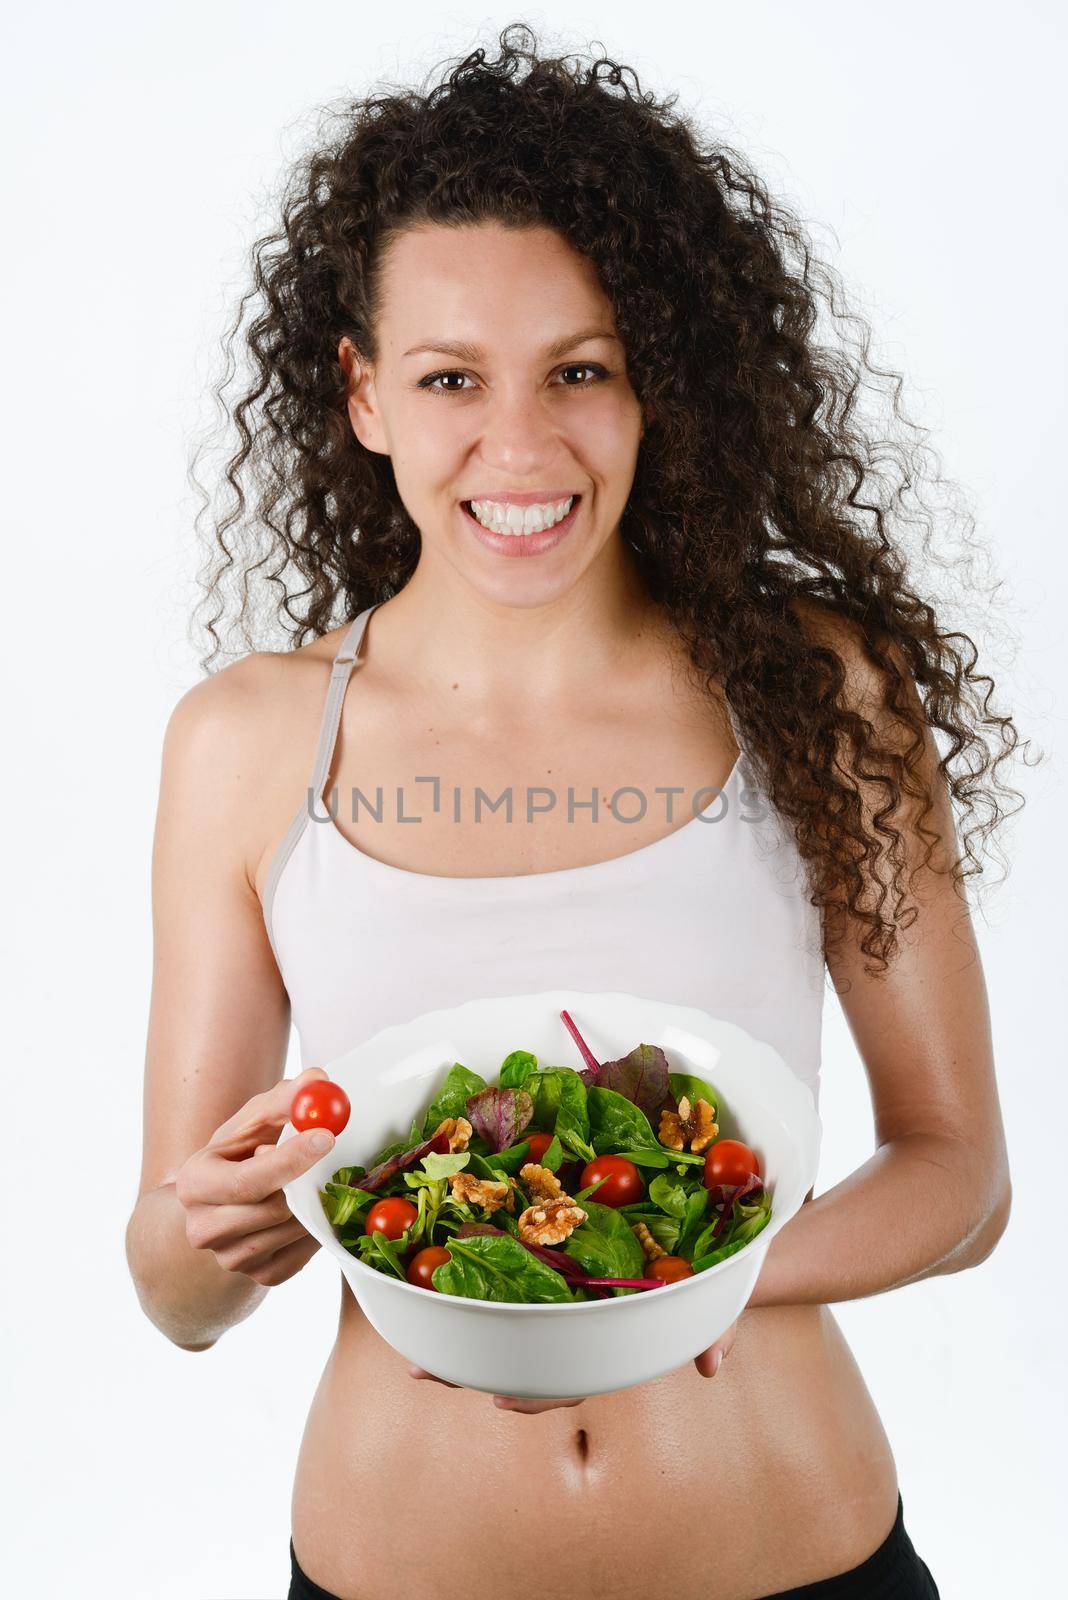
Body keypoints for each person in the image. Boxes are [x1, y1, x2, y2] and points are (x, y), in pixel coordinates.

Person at [125, 24, 1019, 1600]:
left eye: (583, 371)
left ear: (655, 379)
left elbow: (961, 1179)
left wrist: (679, 1290)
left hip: (800, 1556)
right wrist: (213, 1235)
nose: (519, 447)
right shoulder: (248, 742)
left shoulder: (822, 690)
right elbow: (174, 1281)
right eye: (452, 377)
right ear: (363, 394)